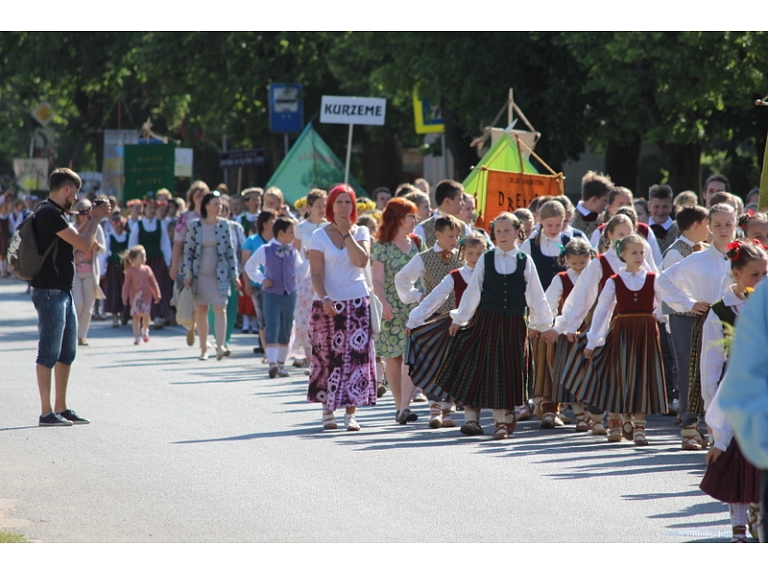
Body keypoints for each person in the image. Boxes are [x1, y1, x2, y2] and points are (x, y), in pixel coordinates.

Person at [423, 212, 555, 440]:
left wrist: (544, 325)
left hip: (515, 323)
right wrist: (460, 319)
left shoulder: (525, 261)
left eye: (507, 230)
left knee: (510, 370)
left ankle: (506, 417)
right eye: (498, 231)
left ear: (517, 232)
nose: (502, 235)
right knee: (492, 370)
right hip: (488, 321)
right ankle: (499, 423)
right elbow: (473, 292)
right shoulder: (487, 258)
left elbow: (536, 295)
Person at [31, 168, 111, 426]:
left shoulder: (55, 213)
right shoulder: (49, 214)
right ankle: (46, 412)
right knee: (48, 353)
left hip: (62, 289)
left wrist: (90, 218)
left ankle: (61, 407)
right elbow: (84, 243)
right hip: (50, 291)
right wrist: (96, 220)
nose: (75, 198)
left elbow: (77, 237)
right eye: (74, 192)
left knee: (67, 352)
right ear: (66, 189)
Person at [699, 240, 768, 542]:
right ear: (736, 273)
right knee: (737, 461)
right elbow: (711, 365)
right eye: (755, 274)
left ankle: (758, 514)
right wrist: (714, 419)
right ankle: (739, 525)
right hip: (737, 394)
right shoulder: (720, 311)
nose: (762, 279)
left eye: (766, 272)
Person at [657, 203, 737, 450]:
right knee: (698, 371)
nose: (723, 229)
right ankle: (691, 426)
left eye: (728, 224)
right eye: (717, 225)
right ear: (708, 228)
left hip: (738, 324)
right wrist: (688, 302)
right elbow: (664, 280)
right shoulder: (698, 259)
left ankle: (729, 429)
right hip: (705, 321)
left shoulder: (745, 257)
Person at [581, 234, 667, 444]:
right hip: (623, 330)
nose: (639, 256)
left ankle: (639, 427)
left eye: (642, 252)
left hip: (646, 331)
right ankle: (615, 422)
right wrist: (593, 340)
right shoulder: (614, 281)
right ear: (623, 254)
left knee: (643, 376)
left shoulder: (652, 278)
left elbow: (663, 303)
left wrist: (661, 316)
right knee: (618, 376)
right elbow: (603, 310)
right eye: (634, 252)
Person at [307, 184, 376, 432]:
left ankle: (351, 414)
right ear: (331, 206)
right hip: (327, 303)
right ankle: (327, 410)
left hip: (356, 302)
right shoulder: (319, 235)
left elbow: (361, 261)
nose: (344, 206)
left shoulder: (362, 232)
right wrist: (324, 297)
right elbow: (316, 272)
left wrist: (347, 234)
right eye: (339, 202)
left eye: (348, 202)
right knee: (327, 358)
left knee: (355, 361)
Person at [405, 232, 487, 430]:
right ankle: (438, 410)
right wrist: (415, 319)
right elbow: (435, 298)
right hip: (458, 328)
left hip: (484, 328)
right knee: (448, 367)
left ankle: (460, 414)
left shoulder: (489, 275)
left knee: (474, 372)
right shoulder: (456, 276)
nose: (475, 258)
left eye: (479, 253)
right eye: (471, 253)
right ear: (462, 254)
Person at [372, 197, 425, 424]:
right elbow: (377, 280)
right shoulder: (381, 247)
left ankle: (405, 406)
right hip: (392, 308)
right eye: (411, 216)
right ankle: (399, 405)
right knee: (393, 358)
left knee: (410, 357)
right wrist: (383, 302)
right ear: (399, 219)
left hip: (415, 307)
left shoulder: (418, 242)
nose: (416, 220)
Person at [541, 237, 594, 431]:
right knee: (572, 374)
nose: (579, 267)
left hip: (590, 332)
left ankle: (592, 414)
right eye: (574, 263)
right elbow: (550, 304)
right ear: (566, 261)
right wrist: (550, 326)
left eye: (583, 262)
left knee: (589, 375)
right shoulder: (561, 279)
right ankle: (580, 415)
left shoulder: (594, 277)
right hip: (567, 334)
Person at [183, 191, 240, 360]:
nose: (219, 207)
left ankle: (220, 345)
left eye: (220, 204)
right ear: (206, 206)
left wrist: (234, 274)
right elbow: (189, 251)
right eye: (215, 203)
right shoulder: (195, 225)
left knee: (220, 307)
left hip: (220, 274)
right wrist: (187, 272)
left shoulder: (224, 225)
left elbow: (230, 251)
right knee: (201, 310)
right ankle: (203, 349)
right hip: (199, 275)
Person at [245, 217, 302, 378]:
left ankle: (281, 365)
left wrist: (309, 261)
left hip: (290, 294)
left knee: (286, 329)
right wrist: (262, 279)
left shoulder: (293, 251)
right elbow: (250, 266)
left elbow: (300, 272)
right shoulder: (266, 249)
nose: (293, 235)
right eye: (291, 232)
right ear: (281, 232)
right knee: (272, 327)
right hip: (271, 295)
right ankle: (272, 364)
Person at [290, 189, 328, 370]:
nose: (322, 209)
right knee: (305, 317)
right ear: (310, 207)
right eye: (319, 205)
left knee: (323, 317)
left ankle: (321, 358)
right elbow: (293, 254)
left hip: (326, 275)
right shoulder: (300, 227)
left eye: (324, 205)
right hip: (304, 277)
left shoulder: (329, 226)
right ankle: (309, 358)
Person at [170, 180, 208, 346]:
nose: (201, 198)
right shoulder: (185, 217)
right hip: (189, 262)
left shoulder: (212, 216)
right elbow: (178, 242)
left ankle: (203, 337)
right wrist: (174, 265)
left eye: (204, 195)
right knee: (190, 298)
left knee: (204, 300)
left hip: (208, 262)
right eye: (198, 195)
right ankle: (191, 327)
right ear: (192, 197)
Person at [128, 199, 172, 329]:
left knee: (157, 286)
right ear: (144, 209)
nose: (152, 211)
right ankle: (141, 315)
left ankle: (158, 316)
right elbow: (132, 244)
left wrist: (168, 261)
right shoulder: (138, 225)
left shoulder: (160, 224)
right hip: (142, 261)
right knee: (141, 287)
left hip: (157, 260)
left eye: (154, 208)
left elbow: (165, 244)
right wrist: (133, 262)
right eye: (150, 208)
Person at [71, 199, 107, 346]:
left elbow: (104, 250)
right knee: (78, 303)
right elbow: (67, 249)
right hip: (75, 271)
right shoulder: (73, 228)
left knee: (88, 306)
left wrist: (96, 245)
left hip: (91, 272)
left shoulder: (96, 229)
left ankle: (81, 336)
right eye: (82, 212)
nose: (85, 215)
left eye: (88, 211)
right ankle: (72, 333)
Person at [241, 209, 277, 353]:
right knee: (262, 316)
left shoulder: (278, 240)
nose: (276, 222)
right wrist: (247, 283)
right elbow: (245, 264)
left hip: (276, 285)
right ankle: (265, 347)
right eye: (273, 219)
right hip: (257, 285)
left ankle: (274, 347)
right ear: (265, 223)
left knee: (274, 317)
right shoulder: (251, 241)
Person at [121, 245, 161, 345]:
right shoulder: (130, 271)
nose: (144, 259)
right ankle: (136, 336)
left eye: (144, 256)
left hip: (146, 298)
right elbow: (126, 285)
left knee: (146, 314)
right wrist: (124, 296)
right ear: (133, 259)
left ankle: (145, 329)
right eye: (141, 257)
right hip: (135, 299)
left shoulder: (147, 269)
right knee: (136, 317)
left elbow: (153, 282)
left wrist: (157, 293)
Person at [414, 179, 471, 247]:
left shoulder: (463, 227)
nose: (463, 203)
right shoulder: (422, 229)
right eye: (460, 200)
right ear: (447, 201)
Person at [102, 212, 130, 327]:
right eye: (116, 224)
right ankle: (115, 316)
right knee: (114, 291)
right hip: (113, 267)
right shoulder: (110, 237)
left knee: (125, 289)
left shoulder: (127, 236)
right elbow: (104, 254)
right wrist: (102, 270)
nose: (118, 227)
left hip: (125, 267)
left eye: (120, 224)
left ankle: (125, 314)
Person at [570, 171, 612, 239]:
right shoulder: (570, 218)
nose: (606, 205)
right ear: (594, 199)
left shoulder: (606, 218)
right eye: (605, 200)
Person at [647, 184, 679, 254]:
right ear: (649, 206)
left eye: (665, 207)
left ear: (671, 207)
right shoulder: (642, 230)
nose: (660, 211)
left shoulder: (679, 230)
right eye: (656, 207)